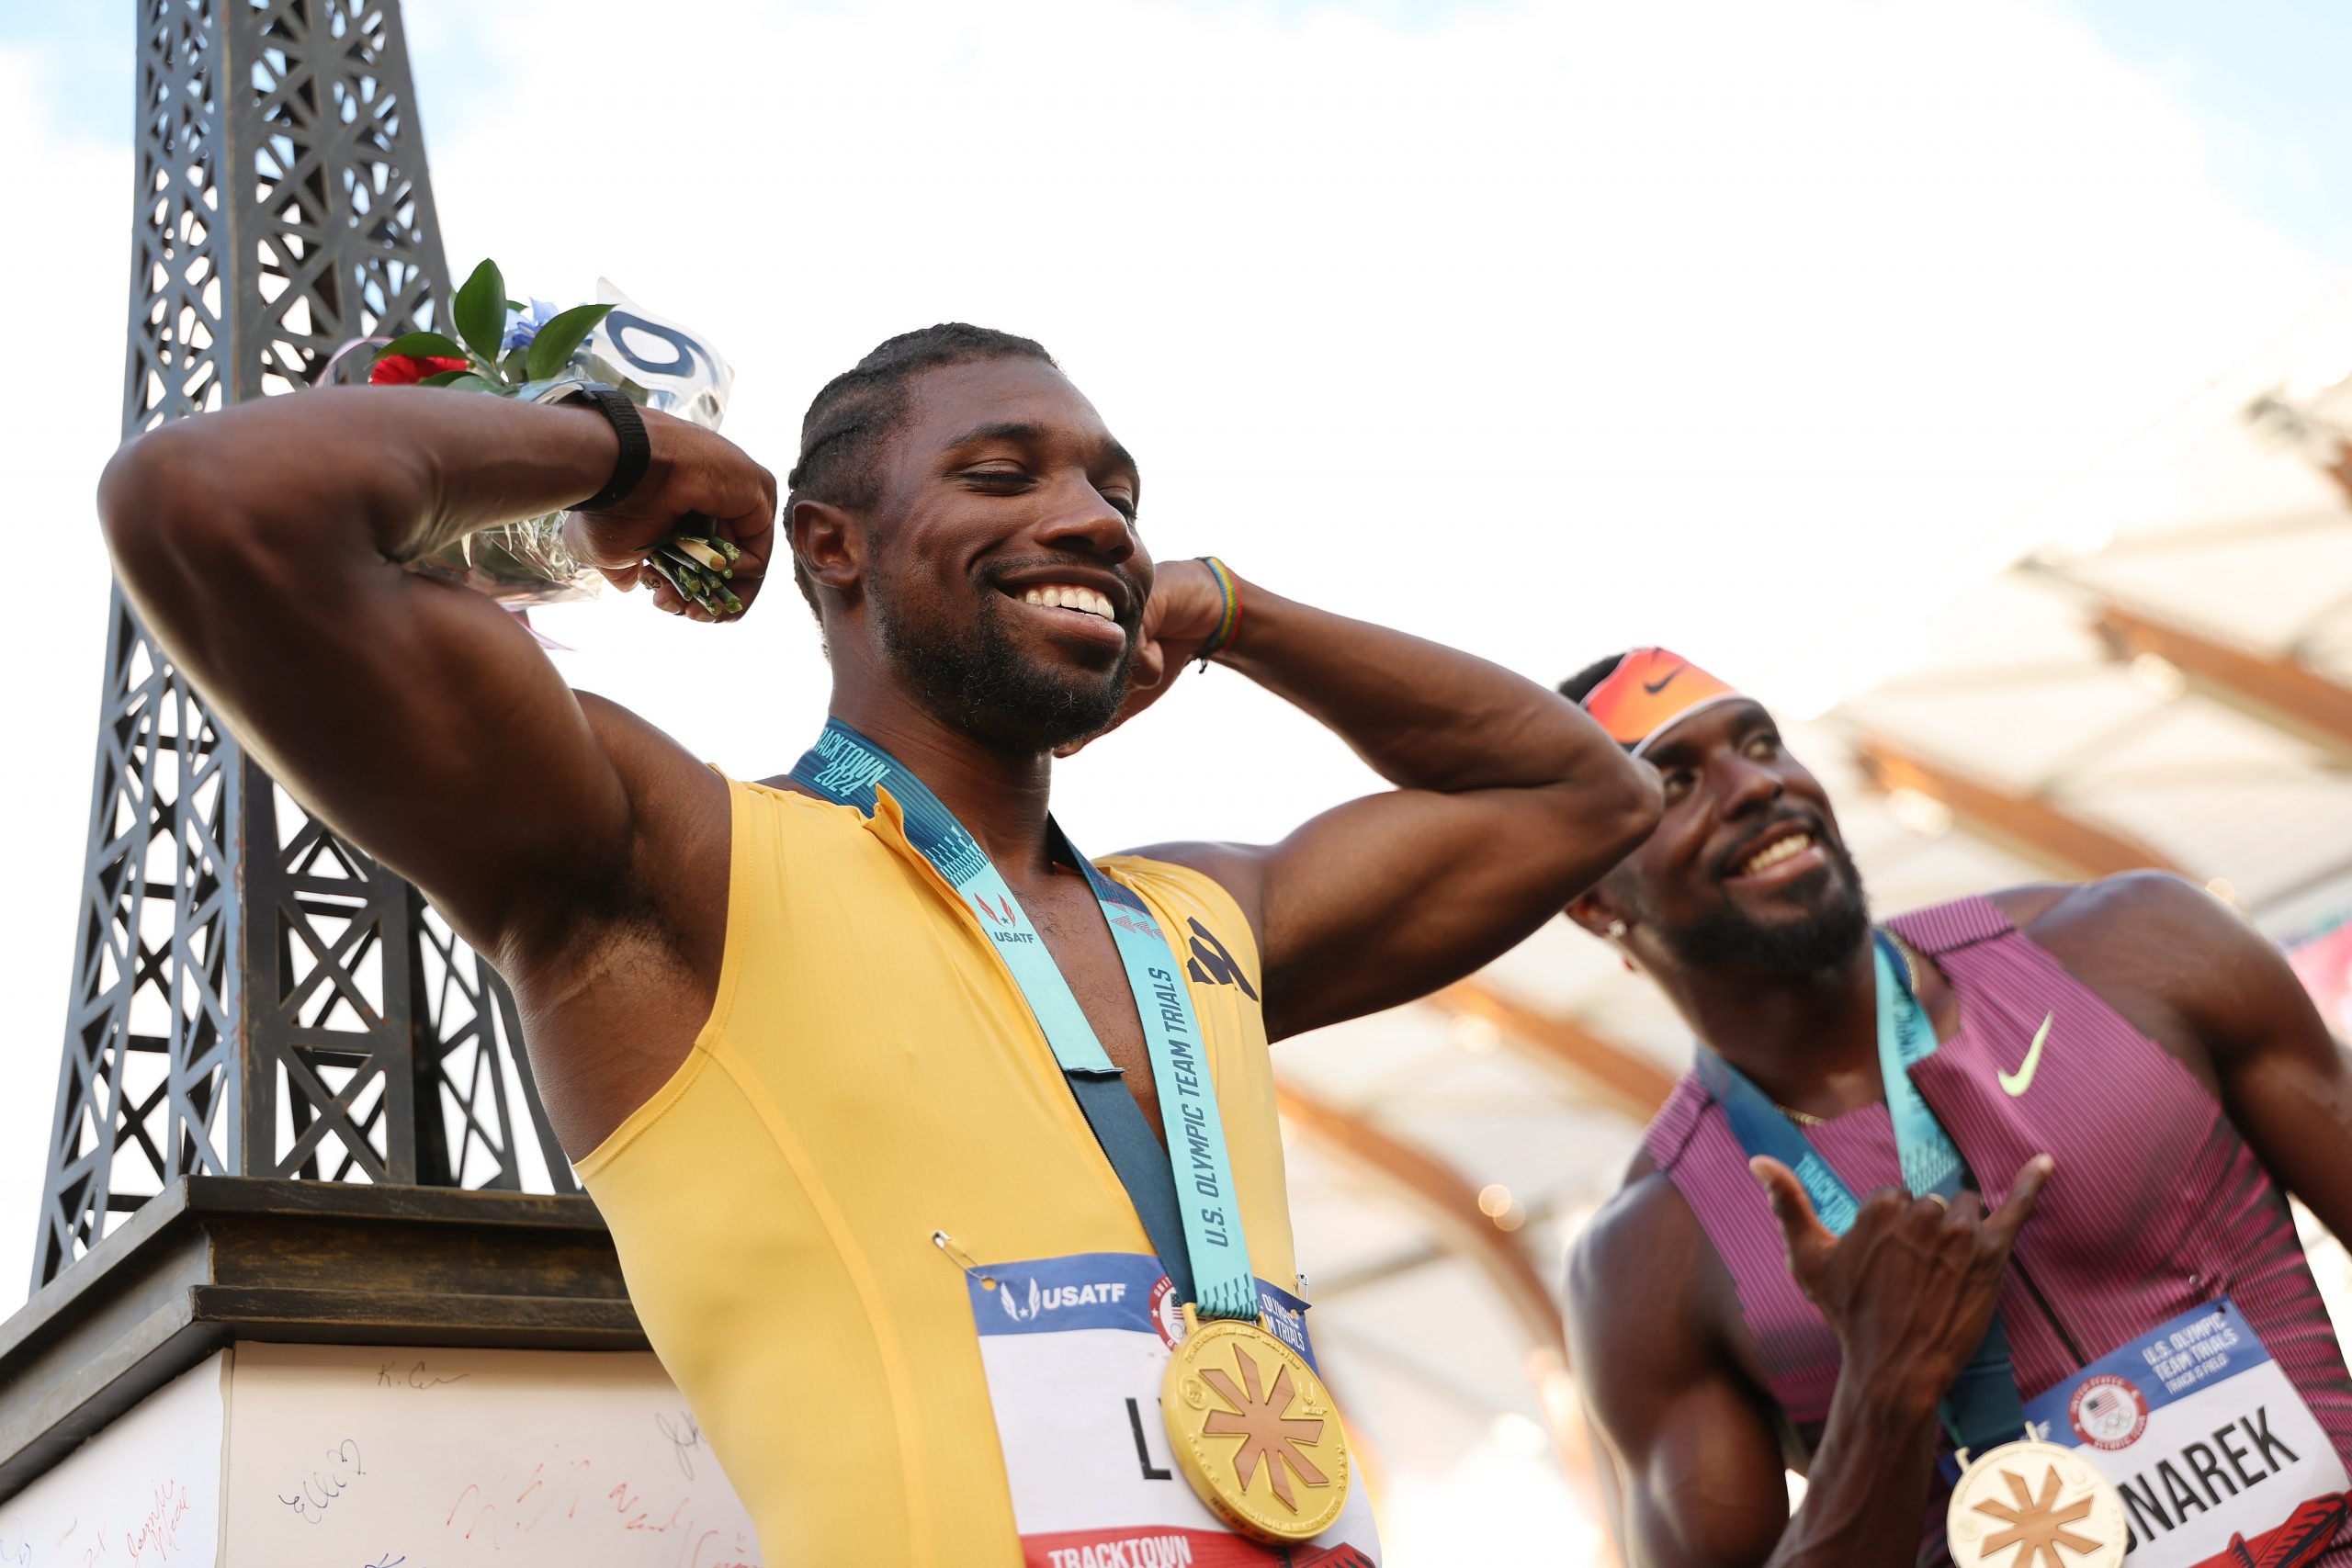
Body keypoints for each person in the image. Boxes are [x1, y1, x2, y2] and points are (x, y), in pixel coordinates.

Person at [95, 323, 1659, 1564]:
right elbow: (209, 504)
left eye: (1118, 494)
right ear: (831, 548)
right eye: (1001, 474)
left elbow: (1579, 792)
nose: (1088, 519)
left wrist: (1230, 606)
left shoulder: (1202, 922)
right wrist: (615, 447)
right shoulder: (676, 868)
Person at [1557, 648, 2352, 1568]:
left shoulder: (2136, 950)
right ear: (1590, 900)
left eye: (1762, 743)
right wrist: (1884, 1386)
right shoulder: (1647, 1255)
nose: (1755, 786)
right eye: (1675, 781)